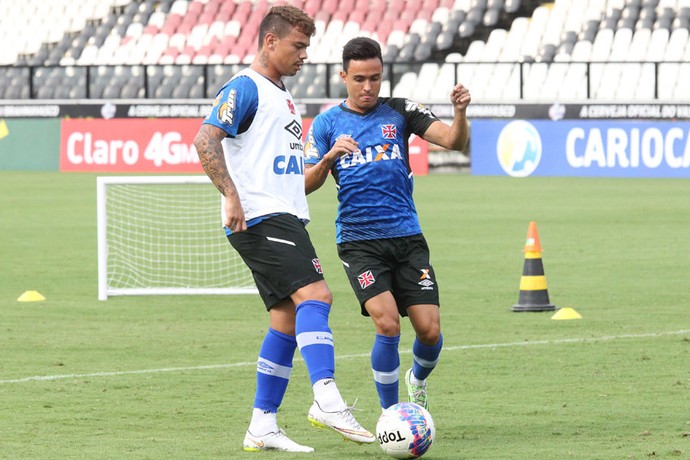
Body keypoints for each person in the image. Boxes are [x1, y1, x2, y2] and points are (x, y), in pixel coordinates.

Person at [193, 8, 375, 453]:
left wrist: (326, 161)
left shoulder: (282, 95)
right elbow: (205, 139)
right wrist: (231, 195)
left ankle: (262, 424)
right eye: (298, 46)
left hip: (283, 214)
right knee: (317, 296)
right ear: (270, 42)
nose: (305, 55)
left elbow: (292, 176)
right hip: (259, 216)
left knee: (287, 317)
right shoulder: (245, 87)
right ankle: (327, 400)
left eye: (308, 47)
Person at [304, 37, 471, 412]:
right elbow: (305, 183)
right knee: (388, 324)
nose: (368, 87)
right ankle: (392, 415)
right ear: (343, 76)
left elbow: (453, 141)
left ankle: (418, 379)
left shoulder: (400, 111)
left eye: (375, 78)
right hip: (359, 242)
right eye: (360, 78)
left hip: (407, 238)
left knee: (429, 330)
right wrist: (329, 156)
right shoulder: (327, 123)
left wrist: (459, 113)